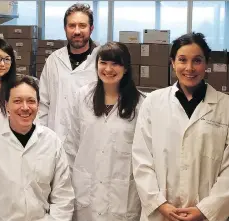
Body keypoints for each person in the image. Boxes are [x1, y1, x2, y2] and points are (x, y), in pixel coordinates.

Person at [132, 32, 229, 221]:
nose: (189, 68)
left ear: (206, 64)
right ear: (173, 63)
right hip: (161, 214)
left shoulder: (225, 106)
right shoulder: (153, 102)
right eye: (182, 60)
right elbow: (141, 158)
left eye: (197, 61)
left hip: (206, 215)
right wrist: (159, 204)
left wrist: (205, 209)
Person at [0, 74, 74, 221]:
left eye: (31, 101)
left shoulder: (52, 142)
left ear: (38, 105)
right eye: (17, 101)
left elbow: (63, 199)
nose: (25, 107)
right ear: (6, 105)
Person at [64, 42, 144, 221]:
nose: (108, 69)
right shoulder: (82, 97)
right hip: (86, 195)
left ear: (126, 68)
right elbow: (71, 146)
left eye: (115, 63)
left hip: (123, 199)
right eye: (103, 62)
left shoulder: (141, 105)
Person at [38, 3, 100, 141]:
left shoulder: (102, 60)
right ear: (65, 28)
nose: (77, 31)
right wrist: (41, 138)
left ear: (91, 28)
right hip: (56, 138)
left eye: (82, 25)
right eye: (72, 26)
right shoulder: (53, 60)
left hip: (90, 141)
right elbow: (43, 104)